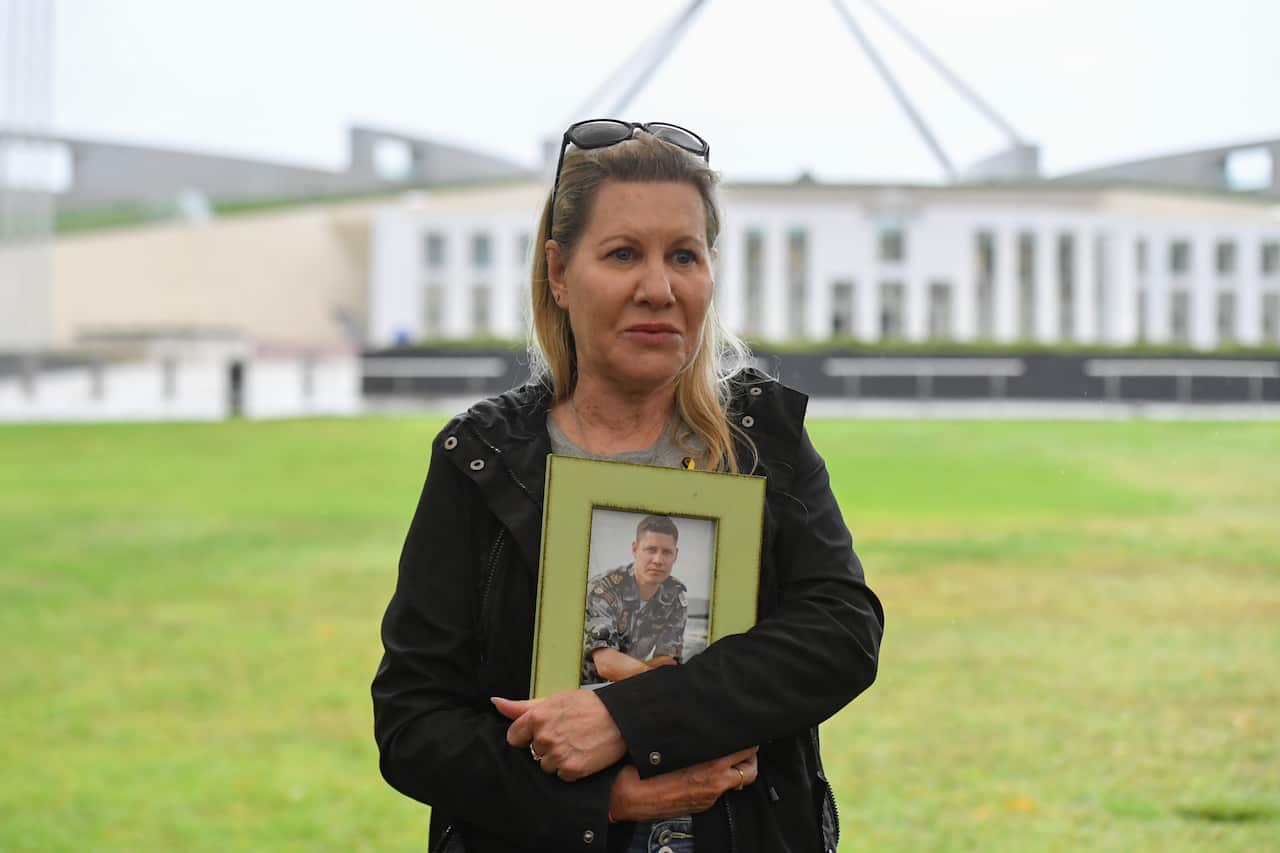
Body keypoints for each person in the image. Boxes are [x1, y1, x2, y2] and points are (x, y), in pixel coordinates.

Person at [372, 119, 885, 853]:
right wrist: (598, 801)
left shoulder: (762, 439)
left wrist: (626, 717)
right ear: (558, 272)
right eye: (622, 254)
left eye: (684, 256)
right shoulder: (481, 458)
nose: (658, 288)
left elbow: (841, 633)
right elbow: (413, 723)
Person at [582, 515, 688, 686]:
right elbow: (606, 664)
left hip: (631, 686)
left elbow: (668, 660)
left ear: (675, 555)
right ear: (635, 549)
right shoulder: (603, 589)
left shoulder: (674, 595)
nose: (658, 560)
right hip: (584, 686)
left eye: (666, 552)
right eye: (651, 550)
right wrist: (655, 678)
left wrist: (633, 672)